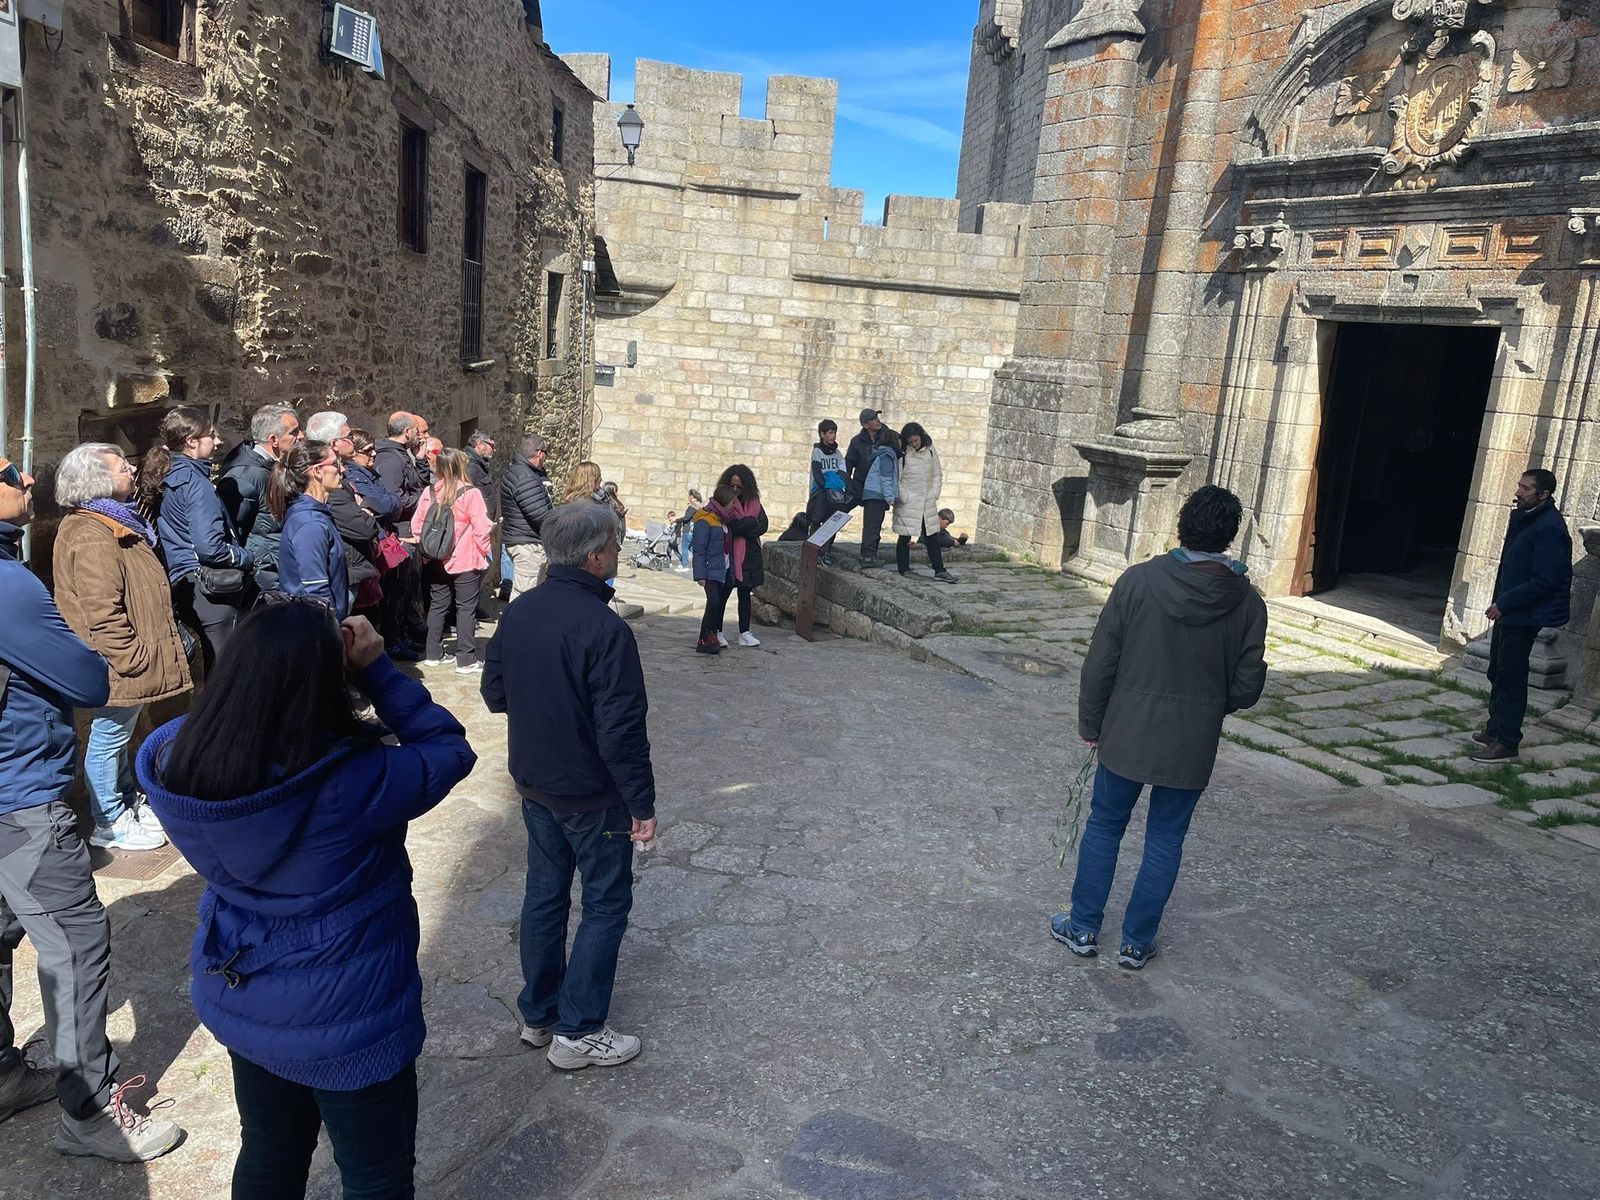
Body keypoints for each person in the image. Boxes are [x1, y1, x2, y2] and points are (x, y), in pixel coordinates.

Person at [137, 605, 476, 1197]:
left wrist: (268, 659)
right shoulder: (351, 782)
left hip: (251, 1001)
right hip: (349, 1016)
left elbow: (201, 721)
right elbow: (448, 748)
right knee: (376, 1174)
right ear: (324, 685)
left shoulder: (184, 767)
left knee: (269, 1153)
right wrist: (375, 670)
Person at [0, 455, 185, 1161]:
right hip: (18, 792)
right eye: (12, 473)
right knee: (74, 944)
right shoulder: (12, 581)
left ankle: (3, 1075)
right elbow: (83, 674)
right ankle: (91, 1111)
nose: (25, 482)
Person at [1050, 485, 1267, 970]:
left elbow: (1100, 661)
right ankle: (1135, 941)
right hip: (1192, 739)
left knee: (1105, 826)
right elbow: (1248, 686)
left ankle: (1083, 927)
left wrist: (1091, 721)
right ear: (1229, 536)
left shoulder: (1138, 581)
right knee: (1165, 839)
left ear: (1182, 525)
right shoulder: (1249, 603)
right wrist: (1210, 706)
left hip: (1126, 728)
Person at [481, 503, 656, 1071]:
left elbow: (496, 693)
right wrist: (641, 804)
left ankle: (540, 1013)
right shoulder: (605, 629)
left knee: (546, 894)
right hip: (590, 793)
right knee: (606, 902)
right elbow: (621, 732)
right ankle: (579, 1029)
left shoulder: (522, 610)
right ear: (594, 554)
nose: (618, 551)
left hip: (537, 783)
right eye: (615, 542)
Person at [52, 443, 191, 852]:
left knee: (120, 735)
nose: (132, 470)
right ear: (97, 480)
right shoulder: (91, 533)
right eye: (122, 467)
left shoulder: (111, 522)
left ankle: (126, 802)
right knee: (109, 738)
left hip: (125, 661)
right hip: (118, 662)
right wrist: (133, 658)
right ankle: (108, 819)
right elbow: (102, 611)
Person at [139, 405, 255, 673]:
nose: (218, 442)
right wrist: (245, 557)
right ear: (191, 442)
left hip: (185, 583)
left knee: (218, 670)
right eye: (211, 436)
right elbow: (209, 547)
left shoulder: (171, 473)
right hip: (207, 588)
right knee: (226, 675)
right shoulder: (195, 482)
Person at [1470, 468, 1573, 763]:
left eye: (1525, 488)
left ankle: (1507, 742)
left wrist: (1506, 603)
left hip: (1524, 613)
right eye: (1519, 485)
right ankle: (1494, 729)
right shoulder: (1525, 518)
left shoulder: (1550, 528)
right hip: (1510, 608)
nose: (1517, 492)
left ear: (1543, 494)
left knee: (1512, 676)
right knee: (1497, 670)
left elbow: (1545, 580)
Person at [413, 449, 493, 674]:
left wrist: (429, 548)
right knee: (466, 609)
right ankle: (466, 660)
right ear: (460, 467)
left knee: (437, 606)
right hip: (466, 558)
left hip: (436, 559)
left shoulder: (429, 492)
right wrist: (483, 551)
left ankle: (433, 653)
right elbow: (482, 528)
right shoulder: (470, 493)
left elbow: (417, 524)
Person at [273, 441, 351, 619]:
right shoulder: (310, 524)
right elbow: (316, 590)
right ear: (317, 472)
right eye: (335, 464)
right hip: (314, 628)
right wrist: (332, 632)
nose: (343, 469)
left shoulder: (317, 515)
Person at [216, 403, 300, 548]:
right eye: (294, 432)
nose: (301, 436)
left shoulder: (278, 466)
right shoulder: (244, 478)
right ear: (274, 440)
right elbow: (233, 534)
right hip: (263, 566)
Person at [892, 423, 958, 584]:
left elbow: (937, 473)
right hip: (908, 500)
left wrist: (935, 493)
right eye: (911, 442)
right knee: (905, 535)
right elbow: (896, 477)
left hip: (927, 499)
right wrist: (904, 496)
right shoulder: (903, 453)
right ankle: (904, 568)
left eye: (916, 440)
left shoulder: (929, 450)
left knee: (932, 536)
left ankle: (939, 570)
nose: (914, 444)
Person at [718, 464, 768, 647]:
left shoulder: (754, 503)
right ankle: (717, 631)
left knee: (745, 594)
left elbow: (763, 525)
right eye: (732, 486)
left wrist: (744, 526)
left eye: (740, 487)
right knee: (722, 595)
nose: (736, 490)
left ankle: (744, 632)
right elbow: (731, 526)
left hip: (749, 555)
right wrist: (748, 523)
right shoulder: (724, 502)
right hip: (730, 554)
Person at [501, 433, 555, 599]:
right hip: (527, 544)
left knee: (532, 594)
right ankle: (515, 625)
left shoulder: (518, 470)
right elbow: (539, 514)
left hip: (521, 538)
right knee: (524, 595)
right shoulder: (525, 477)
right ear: (540, 454)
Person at [845, 408, 899, 568]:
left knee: (874, 523)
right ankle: (823, 547)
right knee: (838, 513)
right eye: (873, 419)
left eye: (877, 417)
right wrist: (848, 486)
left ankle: (869, 555)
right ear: (865, 424)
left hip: (878, 490)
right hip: (860, 486)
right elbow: (848, 464)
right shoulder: (857, 442)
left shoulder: (888, 436)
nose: (877, 420)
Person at [691, 485, 735, 655]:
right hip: (710, 571)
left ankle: (706, 638)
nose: (733, 506)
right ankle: (707, 636)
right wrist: (700, 575)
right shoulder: (705, 519)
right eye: (732, 502)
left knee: (713, 605)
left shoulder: (722, 520)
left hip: (722, 569)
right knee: (714, 602)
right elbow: (699, 549)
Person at [807, 420, 850, 563]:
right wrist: (825, 486)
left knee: (831, 521)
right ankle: (812, 550)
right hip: (820, 492)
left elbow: (843, 472)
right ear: (822, 434)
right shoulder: (818, 452)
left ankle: (825, 551)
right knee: (816, 519)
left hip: (835, 492)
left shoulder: (837, 453)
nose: (833, 436)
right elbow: (817, 474)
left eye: (834, 432)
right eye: (830, 433)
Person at [678, 488, 702, 568]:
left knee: (684, 547)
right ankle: (701, 563)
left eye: (688, 496)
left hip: (688, 529)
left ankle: (684, 565)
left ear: (691, 496)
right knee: (691, 547)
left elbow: (686, 518)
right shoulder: (700, 505)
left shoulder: (693, 506)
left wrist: (677, 520)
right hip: (695, 529)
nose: (688, 497)